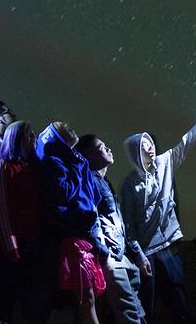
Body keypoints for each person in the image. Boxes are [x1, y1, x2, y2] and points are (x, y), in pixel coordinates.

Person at [121, 104, 196, 324]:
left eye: (150, 142)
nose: (150, 147)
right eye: (144, 145)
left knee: (178, 299)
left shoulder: (166, 162)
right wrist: (140, 255)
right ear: (136, 152)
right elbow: (128, 224)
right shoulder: (129, 185)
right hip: (147, 251)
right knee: (148, 305)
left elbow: (187, 141)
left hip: (168, 247)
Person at [36, 121, 107, 324]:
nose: (71, 128)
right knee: (86, 299)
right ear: (56, 136)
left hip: (83, 234)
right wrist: (77, 167)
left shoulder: (76, 159)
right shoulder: (54, 160)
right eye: (64, 127)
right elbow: (64, 191)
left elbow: (93, 197)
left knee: (85, 300)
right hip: (71, 236)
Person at [76, 135, 149, 324]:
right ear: (89, 155)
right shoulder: (88, 181)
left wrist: (138, 254)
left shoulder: (105, 182)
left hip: (122, 255)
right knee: (129, 314)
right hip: (111, 256)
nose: (108, 149)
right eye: (102, 146)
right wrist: (104, 253)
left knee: (138, 312)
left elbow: (120, 221)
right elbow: (91, 219)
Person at [0, 121, 44, 324]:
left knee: (13, 300)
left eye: (33, 134)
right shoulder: (3, 166)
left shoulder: (33, 170)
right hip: (2, 241)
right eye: (28, 135)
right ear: (15, 138)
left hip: (25, 242)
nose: (33, 139)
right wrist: (10, 245)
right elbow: (0, 207)